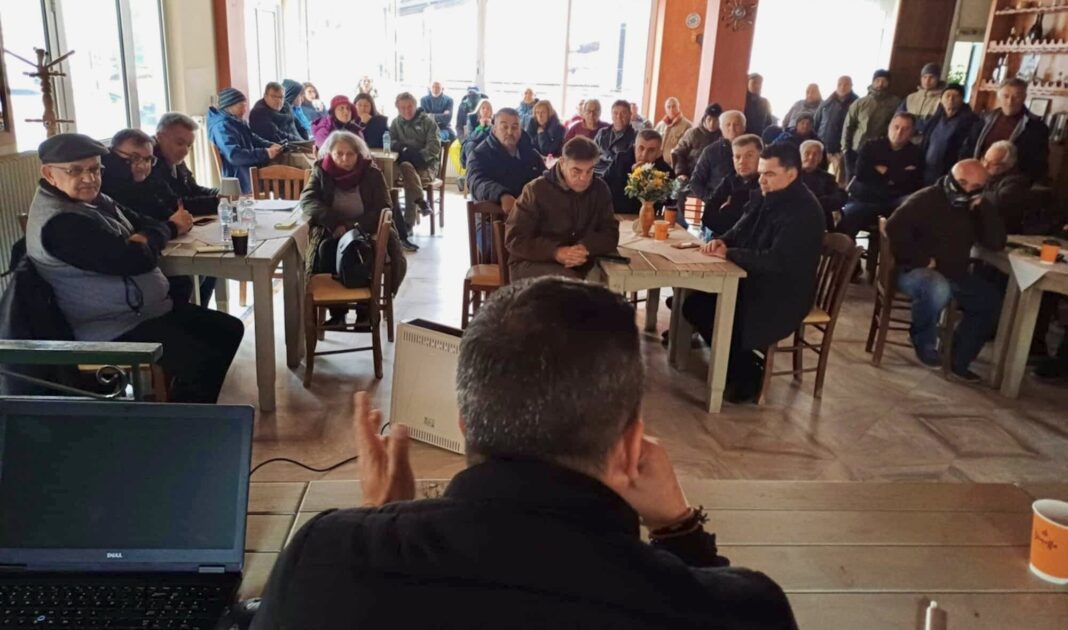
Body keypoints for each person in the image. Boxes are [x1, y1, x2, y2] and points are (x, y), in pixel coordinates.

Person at [250, 277, 798, 630]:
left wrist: (380, 521)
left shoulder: (320, 561)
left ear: (465, 423)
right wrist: (680, 529)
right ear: (633, 448)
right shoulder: (744, 613)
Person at [26, 133, 243, 403]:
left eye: (94, 169)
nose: (89, 178)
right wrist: (160, 232)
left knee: (230, 330)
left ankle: (183, 404)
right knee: (203, 358)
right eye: (76, 171)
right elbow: (136, 259)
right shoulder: (60, 223)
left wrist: (144, 237)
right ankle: (185, 419)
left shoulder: (94, 200)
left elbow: (146, 222)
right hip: (110, 328)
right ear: (49, 174)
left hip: (141, 312)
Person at [682, 143, 825, 403]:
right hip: (754, 279)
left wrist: (730, 254)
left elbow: (777, 260)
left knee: (715, 311)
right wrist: (722, 241)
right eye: (761, 173)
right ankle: (740, 365)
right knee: (694, 303)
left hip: (782, 294)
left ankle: (745, 375)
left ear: (792, 174)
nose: (762, 180)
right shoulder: (766, 195)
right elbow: (741, 228)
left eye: (769, 174)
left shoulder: (804, 212)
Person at [886, 159, 1005, 382]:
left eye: (975, 187)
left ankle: (957, 359)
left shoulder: (977, 206)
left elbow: (996, 243)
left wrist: (983, 210)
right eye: (962, 183)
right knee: (937, 287)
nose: (966, 190)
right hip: (913, 270)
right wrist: (921, 259)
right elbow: (893, 229)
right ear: (952, 177)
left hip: (954, 272)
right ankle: (924, 342)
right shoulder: (926, 199)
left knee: (989, 301)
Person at [301, 130, 410, 327]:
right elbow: (308, 200)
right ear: (330, 153)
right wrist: (335, 223)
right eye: (339, 154)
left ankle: (364, 310)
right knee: (325, 250)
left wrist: (351, 227)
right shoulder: (321, 171)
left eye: (350, 154)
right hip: (333, 229)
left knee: (363, 252)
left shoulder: (371, 173)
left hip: (366, 229)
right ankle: (337, 311)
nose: (345, 159)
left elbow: (384, 207)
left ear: (358, 154)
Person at [100, 126, 217, 305]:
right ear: (113, 156)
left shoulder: (150, 177)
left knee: (209, 267)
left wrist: (179, 219)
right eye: (134, 158)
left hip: (162, 243)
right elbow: (147, 221)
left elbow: (171, 205)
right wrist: (172, 224)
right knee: (189, 277)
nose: (142, 165)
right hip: (138, 264)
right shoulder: (109, 186)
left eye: (148, 159)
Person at [505, 137, 619, 281]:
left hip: (579, 262)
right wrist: (555, 252)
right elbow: (515, 239)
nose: (584, 178)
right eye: (576, 171)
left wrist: (585, 247)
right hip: (532, 262)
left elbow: (610, 233)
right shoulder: (536, 190)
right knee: (572, 285)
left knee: (606, 282)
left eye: (589, 171)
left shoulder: (600, 189)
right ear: (562, 163)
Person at [836, 112, 923, 240]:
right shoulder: (870, 146)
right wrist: (896, 174)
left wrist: (882, 171)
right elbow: (861, 174)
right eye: (896, 127)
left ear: (912, 132)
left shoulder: (916, 153)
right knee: (847, 217)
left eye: (905, 129)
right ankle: (846, 251)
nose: (899, 132)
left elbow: (911, 182)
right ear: (889, 127)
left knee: (913, 214)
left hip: (894, 201)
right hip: (865, 199)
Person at [963, 78, 1050, 184]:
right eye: (1006, 96)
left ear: (1024, 97)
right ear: (998, 96)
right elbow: (968, 148)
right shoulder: (984, 119)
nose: (1010, 102)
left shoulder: (1036, 128)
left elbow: (1038, 165)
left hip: (1010, 184)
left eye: (1016, 97)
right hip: (977, 176)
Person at [466, 108, 545, 213]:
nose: (510, 132)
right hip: (492, 217)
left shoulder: (531, 154)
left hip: (529, 215)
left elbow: (546, 178)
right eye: (504, 127)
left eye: (515, 127)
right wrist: (502, 195)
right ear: (494, 130)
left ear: (520, 130)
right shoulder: (479, 155)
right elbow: (476, 182)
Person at [207, 87, 282, 193]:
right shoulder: (221, 126)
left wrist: (270, 145)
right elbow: (234, 156)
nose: (244, 110)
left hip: (250, 170)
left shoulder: (236, 121)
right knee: (285, 180)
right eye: (241, 106)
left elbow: (252, 138)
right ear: (229, 106)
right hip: (239, 177)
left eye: (245, 106)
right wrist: (265, 153)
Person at [390, 92, 441, 228]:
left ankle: (407, 224)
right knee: (406, 169)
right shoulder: (395, 123)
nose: (407, 110)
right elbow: (390, 141)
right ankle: (420, 201)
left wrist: (418, 156)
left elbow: (434, 147)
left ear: (415, 105)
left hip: (426, 165)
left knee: (409, 178)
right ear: (398, 108)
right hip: (405, 164)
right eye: (402, 107)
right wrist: (402, 148)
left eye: (410, 106)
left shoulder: (428, 122)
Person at [842, 69, 902, 182]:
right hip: (856, 149)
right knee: (852, 181)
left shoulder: (896, 103)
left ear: (889, 83)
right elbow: (848, 126)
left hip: (879, 152)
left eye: (884, 81)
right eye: (877, 80)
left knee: (872, 181)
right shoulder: (860, 102)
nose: (880, 84)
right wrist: (845, 149)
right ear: (873, 82)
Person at [700, 134, 763, 237]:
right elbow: (707, 216)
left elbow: (747, 227)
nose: (742, 162)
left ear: (762, 156)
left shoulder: (764, 186)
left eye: (749, 155)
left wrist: (723, 212)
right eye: (737, 157)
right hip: (717, 239)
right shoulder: (730, 180)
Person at [605, 129, 674, 216]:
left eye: (651, 150)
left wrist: (649, 176)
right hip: (618, 214)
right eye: (641, 148)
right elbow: (604, 185)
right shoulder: (620, 160)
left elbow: (673, 200)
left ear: (659, 153)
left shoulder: (665, 171)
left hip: (649, 217)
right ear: (634, 148)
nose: (644, 155)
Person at [921, 84, 978, 185]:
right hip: (926, 169)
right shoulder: (935, 118)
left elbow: (968, 149)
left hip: (949, 172)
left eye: (955, 96)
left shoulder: (971, 121)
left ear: (962, 99)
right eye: (947, 95)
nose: (951, 99)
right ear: (941, 99)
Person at [690, 110, 746, 203]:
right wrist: (712, 200)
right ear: (721, 128)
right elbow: (695, 182)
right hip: (717, 203)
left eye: (736, 125)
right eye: (728, 125)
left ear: (744, 127)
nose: (732, 128)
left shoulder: (752, 150)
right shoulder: (710, 151)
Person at [981, 141, 1035, 234]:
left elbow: (998, 201)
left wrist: (974, 193)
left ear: (1008, 165)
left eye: (993, 163)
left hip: (1002, 231)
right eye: (985, 160)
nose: (985, 166)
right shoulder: (986, 175)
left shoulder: (1017, 181)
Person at [814, 76, 858, 185]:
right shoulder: (827, 102)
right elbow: (817, 122)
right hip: (823, 147)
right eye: (840, 84)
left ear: (851, 86)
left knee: (839, 183)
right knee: (818, 178)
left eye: (846, 84)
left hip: (841, 151)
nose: (842, 87)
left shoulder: (856, 103)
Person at [799, 140, 845, 230]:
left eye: (815, 154)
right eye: (807, 153)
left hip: (821, 221)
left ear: (820, 158)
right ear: (800, 155)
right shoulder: (791, 175)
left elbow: (840, 197)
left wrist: (818, 202)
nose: (811, 157)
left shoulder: (827, 178)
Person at [593, 100, 639, 176]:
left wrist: (604, 156)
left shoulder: (635, 136)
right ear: (611, 115)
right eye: (615, 113)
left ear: (630, 115)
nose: (619, 117)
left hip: (617, 175)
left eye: (623, 113)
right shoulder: (602, 133)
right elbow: (591, 153)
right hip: (595, 172)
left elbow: (627, 161)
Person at [899, 63, 944, 138]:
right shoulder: (910, 97)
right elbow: (898, 117)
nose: (927, 80)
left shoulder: (941, 100)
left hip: (926, 139)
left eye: (931, 77)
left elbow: (935, 123)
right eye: (924, 77)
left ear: (938, 79)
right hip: (905, 137)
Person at [654, 97, 692, 169]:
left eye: (674, 106)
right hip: (658, 163)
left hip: (674, 166)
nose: (671, 109)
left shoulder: (687, 125)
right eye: (668, 107)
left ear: (678, 107)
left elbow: (688, 148)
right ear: (665, 109)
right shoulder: (661, 124)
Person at [461, 98, 495, 169]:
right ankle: (471, 169)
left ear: (491, 111)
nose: (485, 110)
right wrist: (481, 127)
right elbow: (470, 137)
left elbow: (496, 138)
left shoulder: (495, 120)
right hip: (474, 142)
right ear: (479, 110)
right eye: (483, 108)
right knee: (471, 145)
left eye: (488, 109)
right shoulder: (472, 118)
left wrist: (490, 127)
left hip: (488, 143)